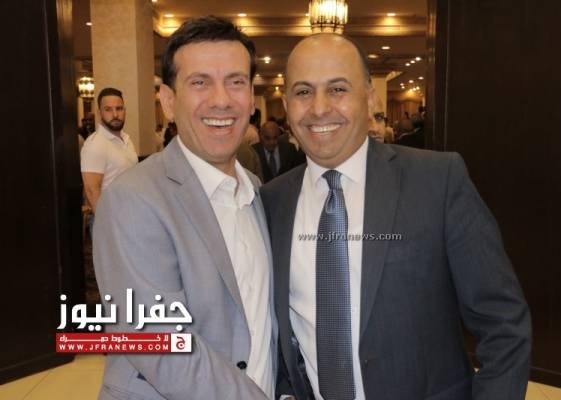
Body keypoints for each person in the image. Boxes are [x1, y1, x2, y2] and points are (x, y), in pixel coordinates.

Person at [260, 33, 531, 400]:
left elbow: (503, 324)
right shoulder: (272, 201)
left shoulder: (437, 181)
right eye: (303, 92)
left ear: (370, 98)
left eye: (337, 89)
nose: (319, 108)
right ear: (287, 104)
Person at [93, 17, 275, 400]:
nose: (221, 100)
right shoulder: (134, 198)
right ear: (169, 101)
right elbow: (160, 343)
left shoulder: (257, 193)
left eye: (236, 81)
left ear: (250, 98)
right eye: (200, 82)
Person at [81, 88, 137, 214]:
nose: (115, 114)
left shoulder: (127, 139)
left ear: (125, 110)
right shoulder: (95, 144)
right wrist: (106, 223)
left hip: (130, 214)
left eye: (119, 108)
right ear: (99, 113)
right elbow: (92, 191)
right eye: (108, 109)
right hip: (111, 219)